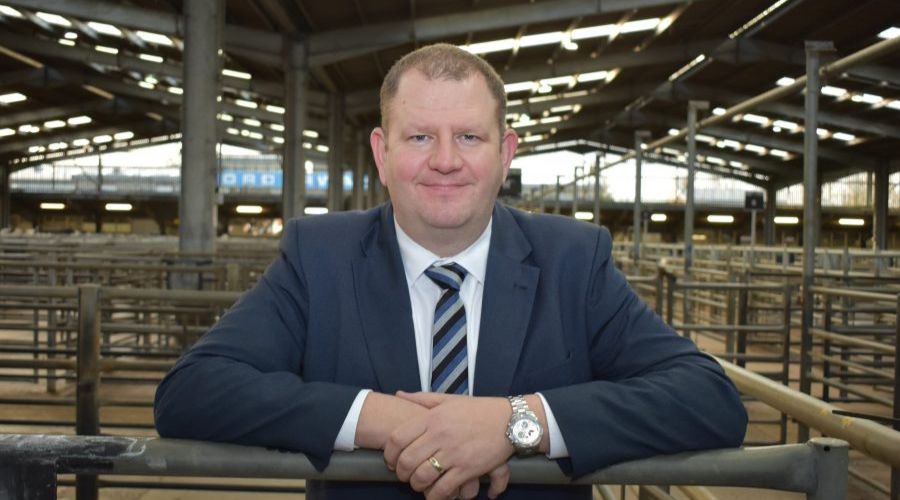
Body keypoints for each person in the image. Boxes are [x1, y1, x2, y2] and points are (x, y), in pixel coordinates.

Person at [154, 43, 747, 500]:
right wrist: (381, 418)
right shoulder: (320, 257)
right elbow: (192, 391)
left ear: (505, 154)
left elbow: (708, 398)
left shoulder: (572, 259)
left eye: (468, 136)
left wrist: (516, 422)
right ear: (383, 153)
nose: (444, 160)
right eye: (420, 137)